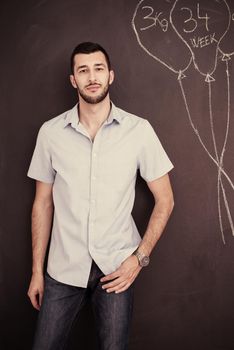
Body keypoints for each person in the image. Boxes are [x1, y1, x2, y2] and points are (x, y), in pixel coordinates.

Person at [27, 41, 174, 350]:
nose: (91, 76)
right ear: (73, 80)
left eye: (98, 69)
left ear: (111, 75)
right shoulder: (50, 133)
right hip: (62, 269)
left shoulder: (139, 130)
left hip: (117, 268)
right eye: (83, 70)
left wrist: (139, 259)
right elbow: (42, 203)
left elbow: (166, 200)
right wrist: (36, 272)